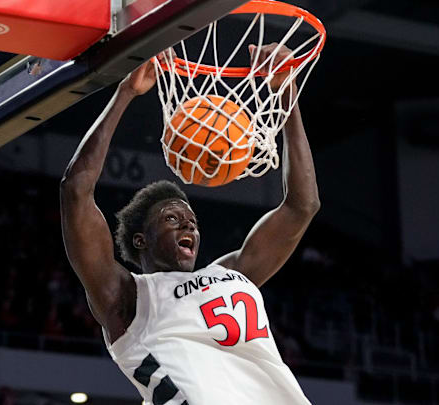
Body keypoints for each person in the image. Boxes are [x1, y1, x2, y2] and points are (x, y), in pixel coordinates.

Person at [60, 44, 320, 404]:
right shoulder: (126, 296)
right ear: (141, 240)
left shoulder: (232, 271)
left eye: (192, 221)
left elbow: (302, 206)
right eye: (172, 219)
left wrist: (287, 95)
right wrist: (125, 95)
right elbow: (76, 191)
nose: (189, 228)